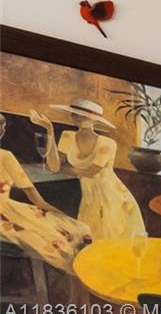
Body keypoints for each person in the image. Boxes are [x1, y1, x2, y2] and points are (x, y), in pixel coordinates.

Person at [31, 98, 146, 241]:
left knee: (109, 239)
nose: (78, 118)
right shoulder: (68, 136)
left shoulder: (108, 143)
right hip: (89, 196)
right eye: (75, 114)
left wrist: (65, 169)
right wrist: (50, 130)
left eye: (83, 116)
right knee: (89, 238)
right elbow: (54, 167)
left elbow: (91, 172)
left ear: (95, 120)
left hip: (112, 196)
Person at [0, 117, 93, 273]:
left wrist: (63, 218)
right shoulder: (5, 156)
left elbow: (37, 200)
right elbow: (37, 199)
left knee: (69, 231)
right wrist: (63, 217)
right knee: (55, 236)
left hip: (9, 212)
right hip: (7, 215)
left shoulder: (5, 156)